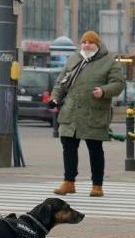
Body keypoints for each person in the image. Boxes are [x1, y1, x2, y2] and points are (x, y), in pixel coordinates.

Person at [50, 31, 124, 197]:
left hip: (94, 114)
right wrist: (55, 99)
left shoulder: (108, 62)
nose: (87, 45)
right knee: (68, 148)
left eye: (90, 42)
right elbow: (60, 82)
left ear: (97, 45)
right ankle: (68, 182)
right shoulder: (74, 59)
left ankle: (97, 185)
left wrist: (104, 91)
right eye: (84, 42)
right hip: (71, 113)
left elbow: (118, 84)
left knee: (95, 150)